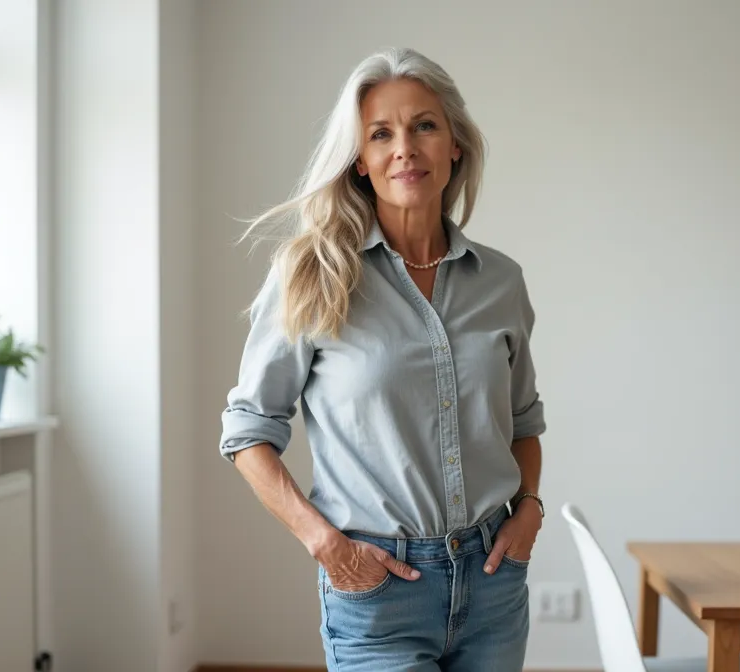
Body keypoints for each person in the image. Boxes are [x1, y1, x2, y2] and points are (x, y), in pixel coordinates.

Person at [219, 46, 547, 672]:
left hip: (494, 584)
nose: (405, 149)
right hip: (378, 590)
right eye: (380, 134)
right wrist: (326, 545)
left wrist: (528, 509)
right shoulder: (311, 274)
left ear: (455, 144)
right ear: (360, 160)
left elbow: (524, 423)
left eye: (424, 125)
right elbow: (247, 432)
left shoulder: (500, 281)